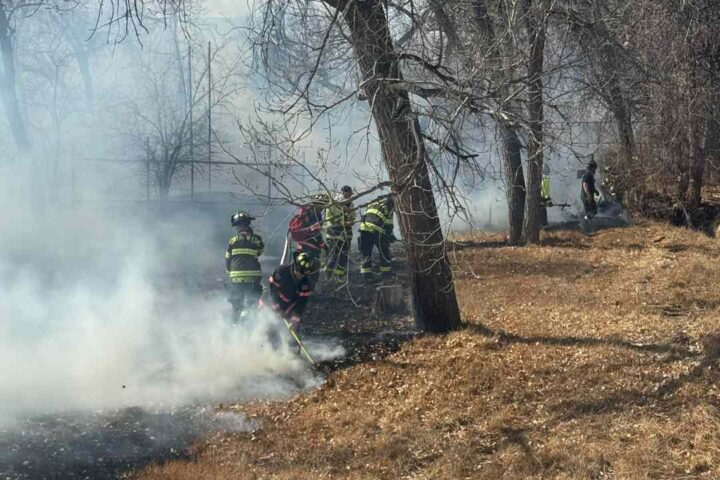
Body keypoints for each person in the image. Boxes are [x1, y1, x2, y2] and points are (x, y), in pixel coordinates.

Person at [260, 251, 316, 342]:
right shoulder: (281, 272)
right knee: (273, 326)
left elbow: (302, 302)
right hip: (270, 302)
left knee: (293, 332)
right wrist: (277, 308)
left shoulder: (306, 283)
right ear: (295, 266)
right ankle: (273, 351)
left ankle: (294, 353)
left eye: (303, 273)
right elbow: (272, 291)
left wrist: (295, 319)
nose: (300, 275)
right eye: (299, 272)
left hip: (288, 305)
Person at [225, 210, 264, 324]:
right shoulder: (257, 240)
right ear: (248, 224)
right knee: (252, 302)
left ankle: (234, 325)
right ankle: (246, 319)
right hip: (252, 278)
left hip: (235, 278)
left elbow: (227, 260)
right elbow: (259, 252)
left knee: (237, 304)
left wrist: (230, 273)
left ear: (237, 227)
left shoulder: (232, 241)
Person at [288, 194, 328, 286]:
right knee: (313, 269)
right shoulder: (315, 213)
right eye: (324, 204)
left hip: (301, 244)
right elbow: (315, 231)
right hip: (310, 246)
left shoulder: (307, 210)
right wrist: (322, 244)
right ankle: (309, 290)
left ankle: (295, 286)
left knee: (300, 266)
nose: (324, 206)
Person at [359, 194, 395, 280]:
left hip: (364, 229)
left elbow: (364, 217)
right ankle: (386, 275)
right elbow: (389, 223)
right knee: (384, 251)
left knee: (366, 253)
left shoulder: (372, 203)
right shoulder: (388, 206)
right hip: (376, 230)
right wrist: (390, 236)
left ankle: (366, 277)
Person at [323, 185, 355, 281]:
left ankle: (339, 276)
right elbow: (329, 218)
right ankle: (328, 274)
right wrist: (342, 222)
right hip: (334, 233)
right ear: (343, 193)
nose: (349, 196)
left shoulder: (351, 203)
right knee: (334, 255)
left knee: (344, 255)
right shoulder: (334, 203)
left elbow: (353, 215)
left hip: (347, 233)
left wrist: (351, 221)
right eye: (348, 194)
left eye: (350, 194)